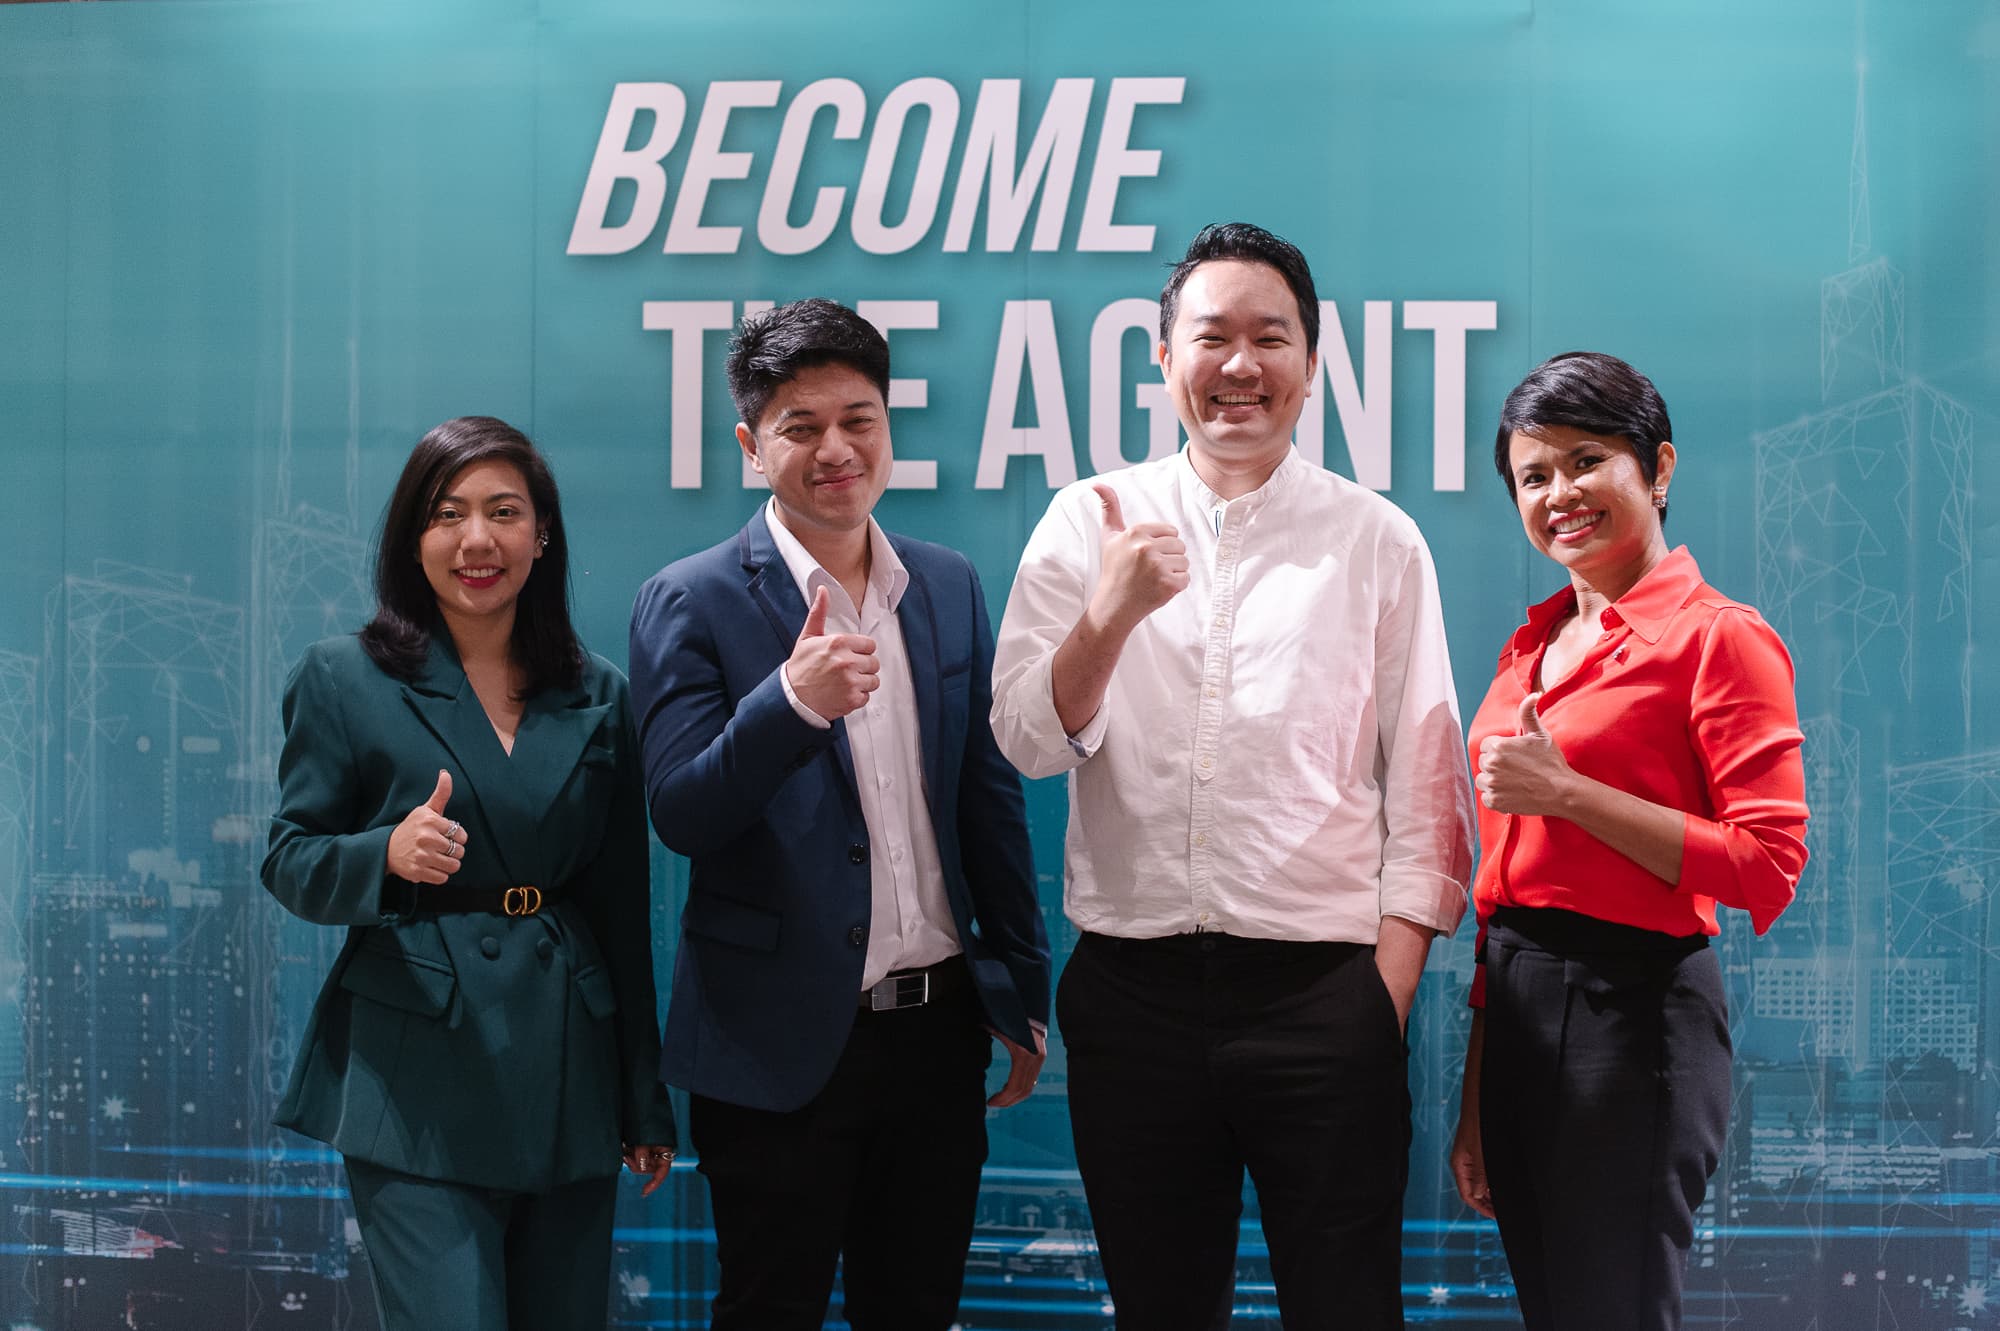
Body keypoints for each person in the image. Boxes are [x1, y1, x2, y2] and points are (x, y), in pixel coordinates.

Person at [991, 221, 1475, 1330]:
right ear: (1165, 357)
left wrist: (1383, 994)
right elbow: (1023, 738)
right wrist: (1108, 614)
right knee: (1160, 1306)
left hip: (1324, 996)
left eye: (1271, 337)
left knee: (1347, 1307)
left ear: (1312, 360)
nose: (1240, 364)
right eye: (1212, 336)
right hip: (1132, 996)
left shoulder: (1377, 539)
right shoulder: (1087, 519)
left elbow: (1428, 787)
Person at [627, 298, 1051, 1331]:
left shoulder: (943, 582)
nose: (835, 449)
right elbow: (681, 810)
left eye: (858, 419)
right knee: (766, 1309)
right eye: (801, 426)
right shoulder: (689, 598)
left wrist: (1021, 991)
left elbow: (987, 798)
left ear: (888, 425)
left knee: (916, 1308)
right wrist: (790, 701)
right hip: (775, 1048)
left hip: (937, 1037)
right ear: (750, 445)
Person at [261, 416, 677, 1330]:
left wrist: (642, 1098)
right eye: (448, 514)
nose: (477, 539)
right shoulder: (342, 677)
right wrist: (384, 854)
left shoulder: (599, 692)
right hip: (416, 1074)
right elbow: (289, 858)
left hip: (566, 1069)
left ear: (543, 534)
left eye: (504, 512)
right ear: (413, 537)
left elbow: (621, 907)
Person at [1448, 351, 1810, 1331]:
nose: (1558, 493)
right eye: (1532, 476)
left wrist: (1569, 793)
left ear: (1657, 468)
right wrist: (1478, 1083)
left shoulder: (1719, 636)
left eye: (1585, 460)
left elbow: (1767, 863)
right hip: (1517, 1007)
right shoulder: (1529, 645)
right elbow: (1504, 886)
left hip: (1635, 1011)